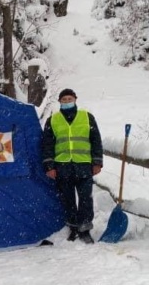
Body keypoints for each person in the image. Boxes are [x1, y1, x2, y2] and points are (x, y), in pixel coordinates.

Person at [41, 88, 103, 244]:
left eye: (69, 99)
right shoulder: (52, 120)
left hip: (84, 166)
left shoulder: (87, 117)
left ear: (75, 99)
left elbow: (96, 140)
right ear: (60, 102)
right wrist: (50, 166)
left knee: (85, 199)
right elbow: (47, 145)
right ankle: (73, 227)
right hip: (63, 167)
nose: (67, 102)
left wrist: (97, 162)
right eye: (64, 99)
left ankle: (85, 229)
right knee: (67, 199)